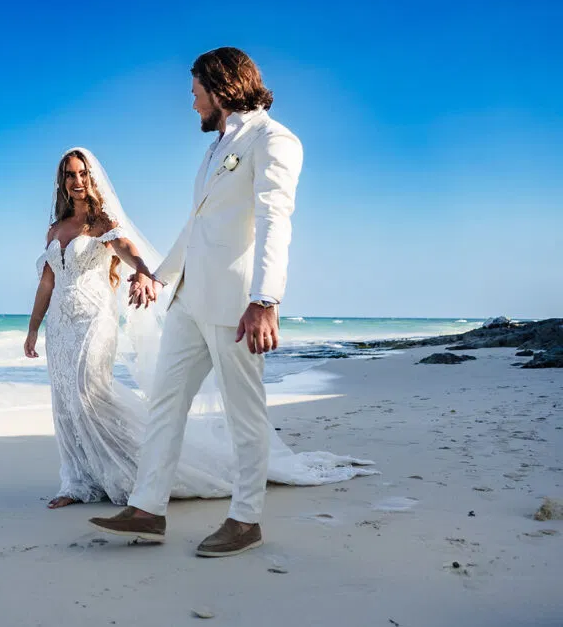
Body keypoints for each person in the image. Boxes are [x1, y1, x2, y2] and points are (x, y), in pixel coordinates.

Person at [26, 142, 375, 521]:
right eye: (69, 175)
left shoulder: (102, 223)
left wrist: (144, 272)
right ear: (61, 182)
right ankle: (79, 481)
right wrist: (33, 331)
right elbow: (47, 284)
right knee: (66, 401)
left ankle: (135, 472)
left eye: (82, 173)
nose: (77, 181)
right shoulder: (55, 229)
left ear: (91, 179)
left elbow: (128, 249)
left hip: (94, 319)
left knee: (89, 392)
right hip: (60, 326)